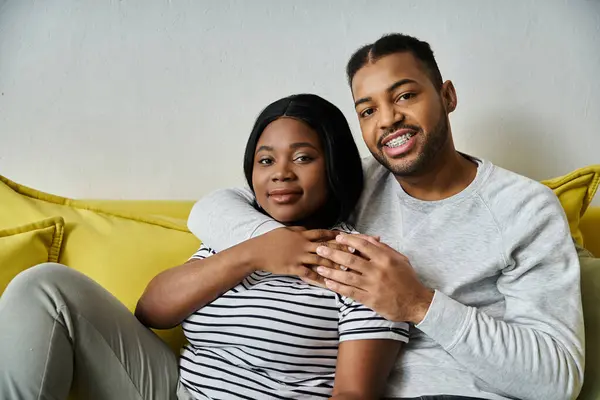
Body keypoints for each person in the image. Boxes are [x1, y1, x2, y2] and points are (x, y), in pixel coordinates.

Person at [187, 34, 585, 400]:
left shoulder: (524, 207)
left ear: (447, 96)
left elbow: (557, 378)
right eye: (367, 110)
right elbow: (215, 207)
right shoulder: (358, 181)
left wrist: (418, 304)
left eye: (405, 95)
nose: (388, 119)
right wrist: (273, 243)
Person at [0, 94, 407, 400]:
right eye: (266, 161)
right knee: (45, 286)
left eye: (302, 158)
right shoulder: (237, 233)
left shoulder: (360, 262)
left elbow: (354, 395)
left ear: (335, 165)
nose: (280, 173)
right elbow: (152, 311)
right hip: (175, 390)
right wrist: (255, 251)